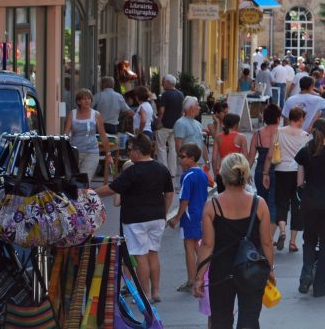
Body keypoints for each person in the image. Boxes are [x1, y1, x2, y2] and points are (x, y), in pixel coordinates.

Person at [193, 153, 275, 329]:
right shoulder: (259, 204)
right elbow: (267, 242)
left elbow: (207, 245)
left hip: (221, 270)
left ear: (223, 175)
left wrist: (199, 277)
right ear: (246, 175)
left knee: (221, 320)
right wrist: (269, 269)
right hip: (251, 267)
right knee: (249, 320)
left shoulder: (212, 206)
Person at [95, 133, 174, 303]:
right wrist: (164, 212)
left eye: (130, 150)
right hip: (157, 217)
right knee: (153, 254)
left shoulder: (133, 171)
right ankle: (156, 292)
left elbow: (112, 188)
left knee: (141, 256)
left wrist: (91, 192)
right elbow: (169, 193)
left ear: (138, 151)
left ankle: (144, 294)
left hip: (136, 219)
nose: (129, 153)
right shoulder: (162, 169)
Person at [294, 119, 325, 296]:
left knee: (308, 241)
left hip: (308, 203)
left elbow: (300, 182)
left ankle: (307, 272)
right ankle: (319, 285)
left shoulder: (304, 152)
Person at [167, 143, 209, 293]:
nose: (180, 159)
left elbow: (184, 199)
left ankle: (192, 279)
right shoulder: (202, 174)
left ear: (192, 158)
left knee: (189, 248)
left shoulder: (187, 176)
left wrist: (177, 218)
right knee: (198, 246)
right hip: (201, 214)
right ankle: (204, 275)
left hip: (190, 215)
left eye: (183, 157)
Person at [270, 107, 310, 252]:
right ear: (299, 119)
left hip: (281, 170)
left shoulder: (279, 131)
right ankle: (293, 242)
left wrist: (265, 172)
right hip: (298, 173)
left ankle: (282, 231)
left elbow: (271, 152)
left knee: (281, 203)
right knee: (297, 206)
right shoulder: (305, 135)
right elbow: (306, 157)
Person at [63, 88, 112, 183]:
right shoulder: (72, 114)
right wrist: (63, 150)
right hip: (74, 153)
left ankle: (83, 196)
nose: (87, 101)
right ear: (78, 101)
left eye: (89, 98)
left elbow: (103, 135)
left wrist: (108, 154)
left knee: (84, 181)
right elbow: (66, 134)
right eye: (84, 99)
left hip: (91, 152)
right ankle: (77, 198)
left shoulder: (96, 115)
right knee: (72, 181)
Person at [253, 103, 281, 241]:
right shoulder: (280, 133)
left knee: (261, 203)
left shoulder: (257, 133)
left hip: (259, 170)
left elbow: (251, 157)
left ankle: (260, 234)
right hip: (277, 171)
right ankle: (268, 237)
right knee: (274, 203)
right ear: (278, 117)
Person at [156, 75, 184, 179]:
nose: (162, 84)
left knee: (161, 147)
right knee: (172, 148)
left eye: (163, 81)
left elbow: (162, 111)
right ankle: (172, 172)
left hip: (165, 125)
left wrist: (158, 121)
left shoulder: (165, 95)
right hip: (176, 126)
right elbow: (182, 111)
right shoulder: (180, 94)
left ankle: (163, 171)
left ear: (168, 82)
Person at [214, 113, 248, 192]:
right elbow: (245, 157)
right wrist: (246, 174)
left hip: (221, 171)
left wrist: (216, 173)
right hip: (236, 171)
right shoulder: (241, 137)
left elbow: (214, 158)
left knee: (222, 198)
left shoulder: (218, 137)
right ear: (236, 125)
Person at [174, 96, 209, 166]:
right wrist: (183, 161)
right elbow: (178, 144)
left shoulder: (198, 123)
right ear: (191, 107)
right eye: (197, 105)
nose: (199, 107)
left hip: (198, 163)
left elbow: (202, 143)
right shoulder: (180, 123)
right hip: (188, 164)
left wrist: (207, 161)